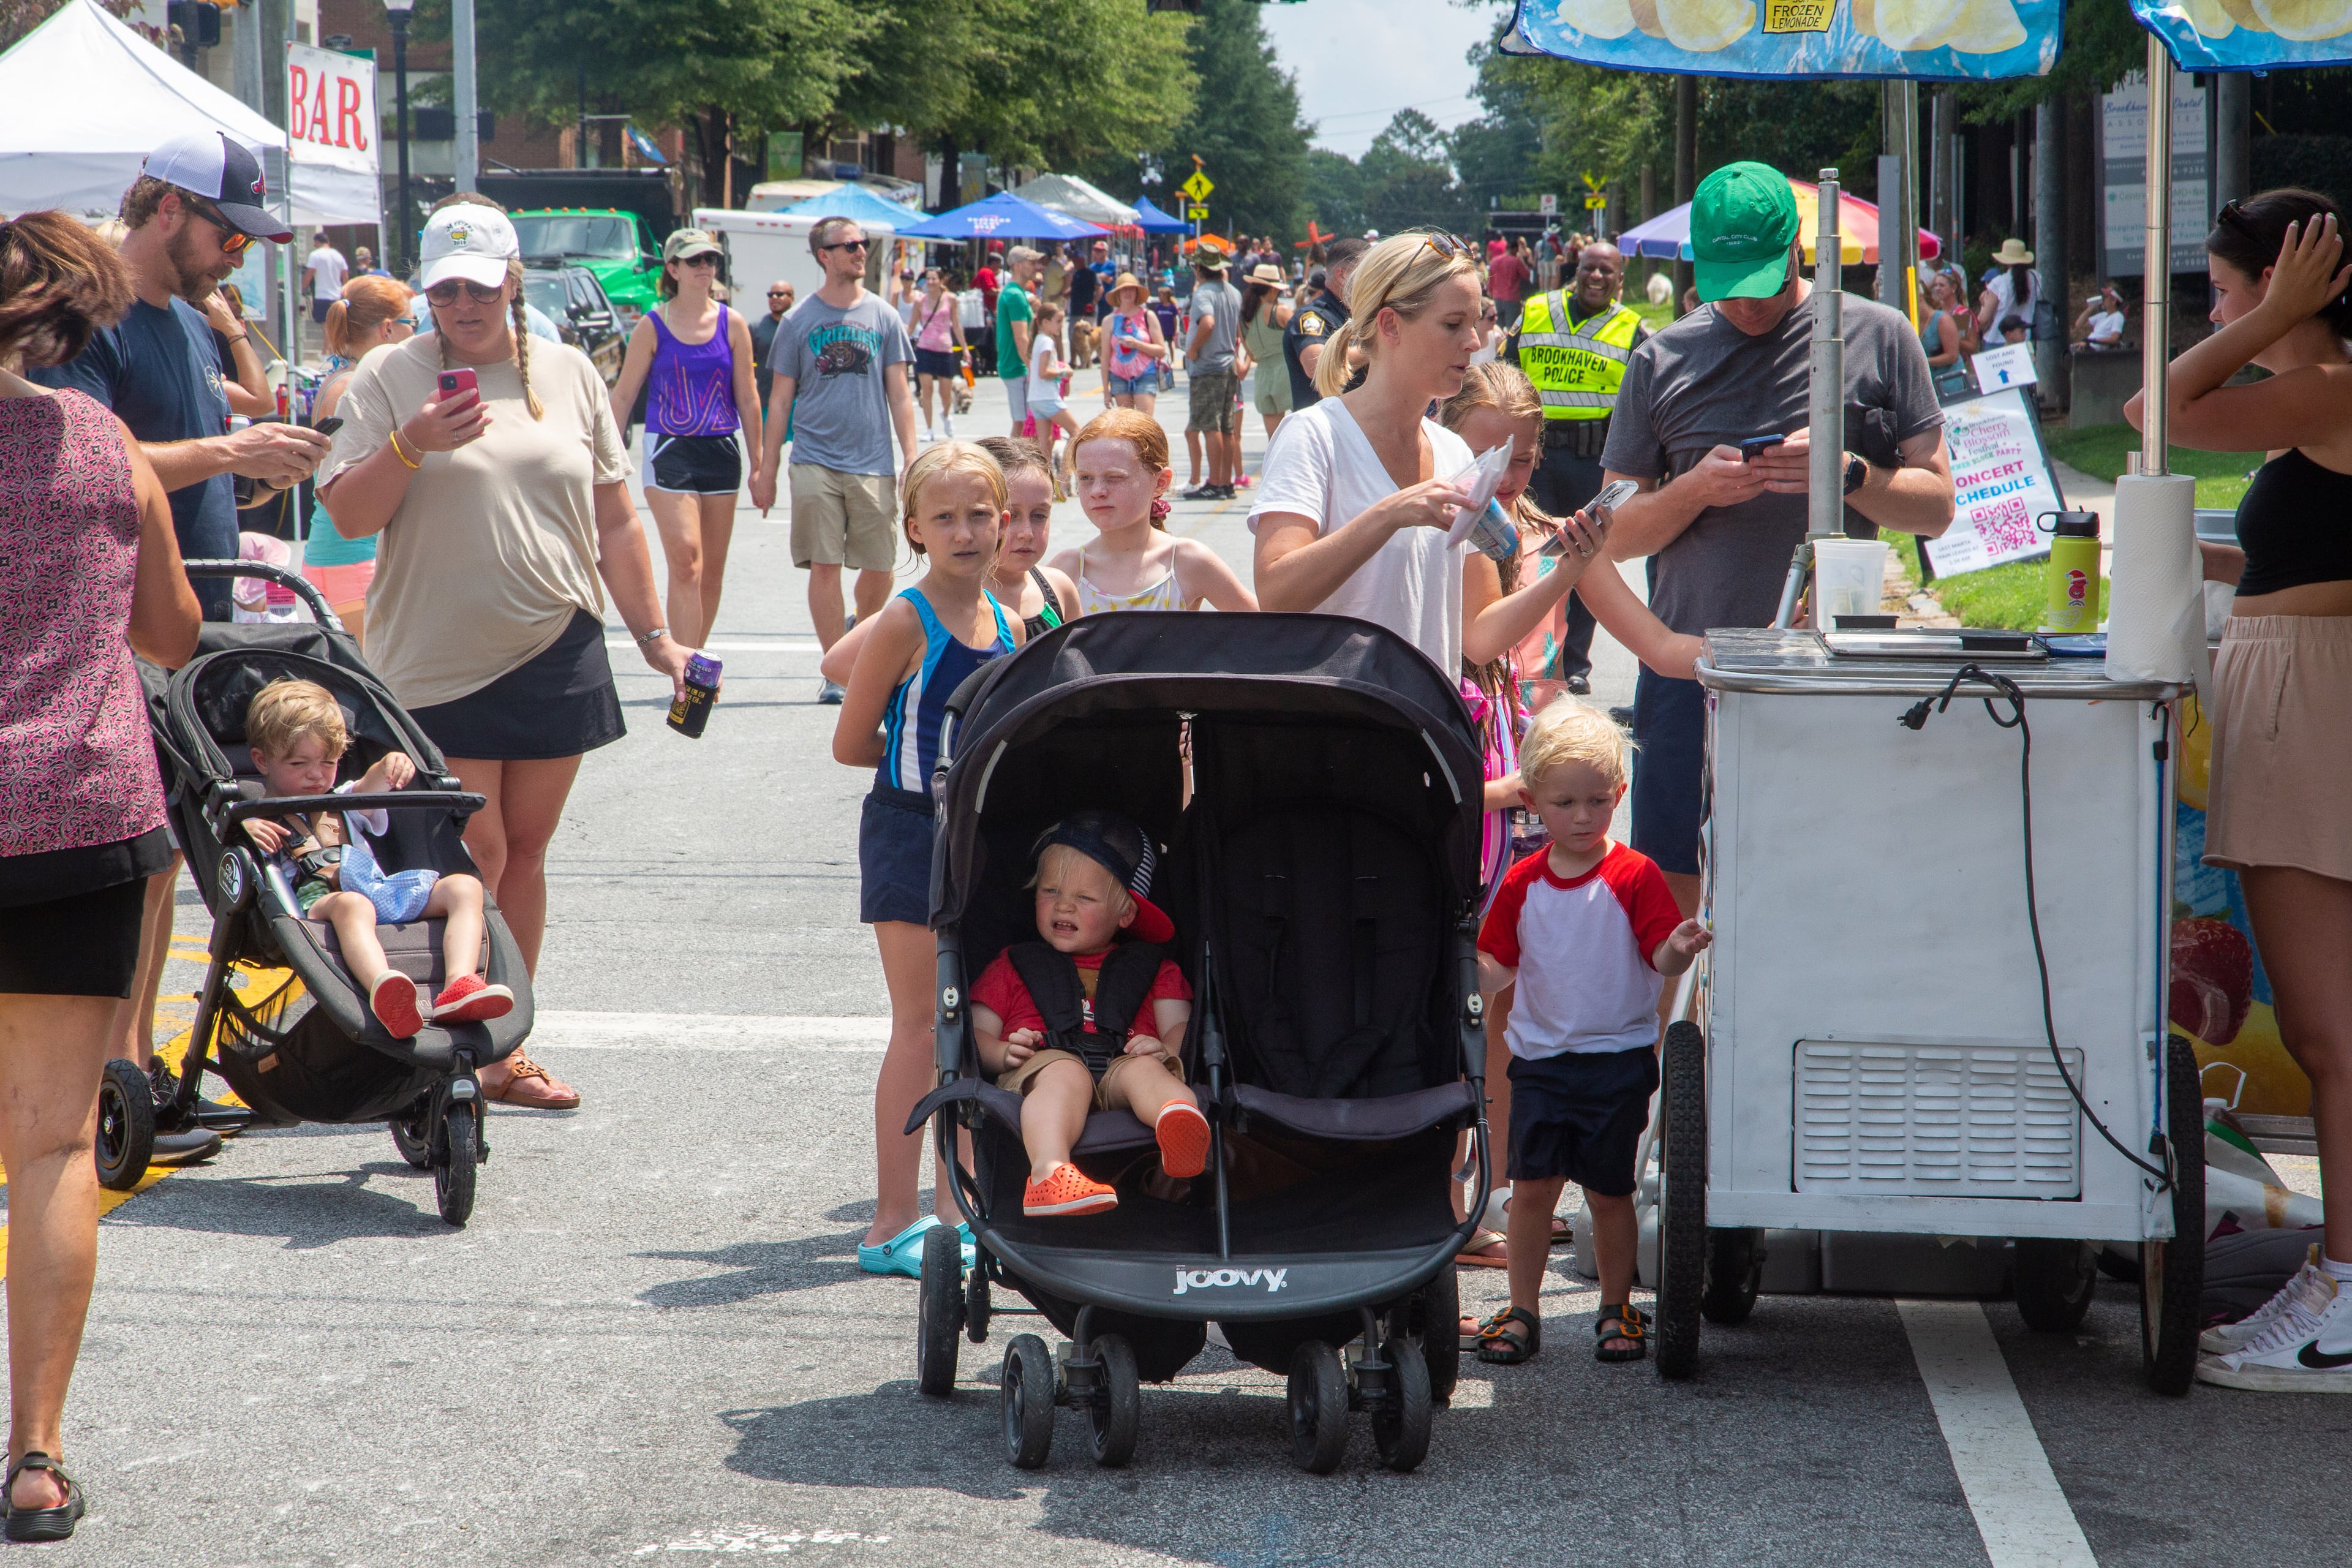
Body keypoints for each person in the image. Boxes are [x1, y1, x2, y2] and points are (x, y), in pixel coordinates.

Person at [318, 201, 693, 1111]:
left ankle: (503, 1047)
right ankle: (447, 1040)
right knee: (473, 851)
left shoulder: (564, 372)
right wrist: (412, 444)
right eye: (443, 290)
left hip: (554, 641)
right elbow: (346, 515)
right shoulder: (388, 375)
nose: (461, 305)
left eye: (479, 287)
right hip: (437, 657)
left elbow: (614, 516)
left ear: (512, 281)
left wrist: (656, 638)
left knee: (526, 850)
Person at [31, 133, 330, 1141]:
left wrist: (249, 470)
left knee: (162, 866)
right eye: (225, 230)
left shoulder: (191, 323)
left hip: (190, 631)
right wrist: (229, 449)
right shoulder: (92, 324)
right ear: (167, 209)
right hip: (120, 635)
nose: (238, 252)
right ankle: (114, 1086)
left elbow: (179, 459)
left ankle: (133, 1075)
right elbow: (80, 461)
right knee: (141, 864)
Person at [2114, 193, 2352, 1392]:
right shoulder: (2309, 406)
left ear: (2288, 283)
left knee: (2328, 1031)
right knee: (2327, 1028)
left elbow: (2157, 408)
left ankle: (2343, 1290)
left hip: (2314, 708)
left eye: (2221, 288)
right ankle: (2333, 1270)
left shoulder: (2326, 388)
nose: (2212, 311)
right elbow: (2295, 558)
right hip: (2296, 697)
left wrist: (2286, 318)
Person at [0, 209, 202, 1544]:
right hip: (73, 810)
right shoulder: (99, 445)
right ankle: (35, 1454)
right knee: (53, 1141)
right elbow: (173, 629)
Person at [1598, 162, 1953, 921]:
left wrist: (1849, 473)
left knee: (1823, 875)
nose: (1746, 302)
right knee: (1669, 885)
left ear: (1800, 248)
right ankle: (1675, 1036)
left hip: (1831, 667)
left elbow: (1937, 510)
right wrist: (1694, 489)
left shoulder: (1879, 336)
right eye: (1727, 282)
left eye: (1761, 279)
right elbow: (1614, 537)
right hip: (1691, 667)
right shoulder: (1660, 359)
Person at [1435, 363, 1702, 1269]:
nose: (1510, 470)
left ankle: (1508, 1188)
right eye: (1489, 451)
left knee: (1516, 1006)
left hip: (1525, 791)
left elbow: (1656, 644)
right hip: (1472, 784)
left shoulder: (1542, 532)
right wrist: (1570, 563)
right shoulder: (1458, 530)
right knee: (1463, 995)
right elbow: (1483, 638)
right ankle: (1454, 1194)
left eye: (1526, 451)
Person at [1252, 232, 1618, 687]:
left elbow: (1479, 637)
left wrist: (1568, 570)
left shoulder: (1453, 451)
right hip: (1336, 734)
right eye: (1452, 324)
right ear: (1390, 326)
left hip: (1427, 732)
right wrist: (1390, 514)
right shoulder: (1314, 436)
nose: (1472, 341)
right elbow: (1275, 593)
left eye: (1475, 321)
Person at [1464, 701, 1711, 1366]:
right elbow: (1498, 969)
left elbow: (1659, 955)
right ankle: (1521, 1307)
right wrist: (1465, 963)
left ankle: (1614, 1304)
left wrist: (1680, 949)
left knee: (1609, 1192)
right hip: (1541, 1060)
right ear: (1532, 801)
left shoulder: (1635, 875)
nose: (1581, 816)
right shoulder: (1521, 883)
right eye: (1565, 801)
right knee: (1533, 1191)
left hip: (1617, 1060)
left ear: (1619, 795)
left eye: (1598, 801)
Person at [832, 442, 1022, 1275]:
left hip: (981, 838)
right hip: (912, 832)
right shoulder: (906, 618)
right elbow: (850, 743)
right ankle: (888, 1221)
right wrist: (932, 765)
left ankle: (961, 1209)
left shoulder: (1010, 618)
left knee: (973, 1028)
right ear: (913, 527)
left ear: (1004, 521)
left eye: (980, 514)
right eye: (944, 517)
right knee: (919, 1026)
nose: (965, 530)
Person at [237, 679, 511, 1036]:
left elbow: (369, 787)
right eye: (299, 763)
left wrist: (390, 766)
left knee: (464, 887)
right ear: (262, 761)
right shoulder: (257, 814)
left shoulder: (344, 800)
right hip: (318, 903)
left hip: (378, 890)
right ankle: (384, 987)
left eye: (329, 762)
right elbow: (222, 832)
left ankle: (459, 982)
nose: (316, 774)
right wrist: (245, 828)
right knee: (353, 905)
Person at [971, 812, 1207, 1216]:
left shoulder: (1153, 969)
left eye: (1085, 898)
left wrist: (1163, 1047)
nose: (1064, 905)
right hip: (1046, 1063)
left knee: (1149, 1071)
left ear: (1127, 914)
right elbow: (974, 1032)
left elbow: (1182, 1027)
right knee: (1065, 1075)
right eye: (1050, 891)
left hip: (1123, 1062)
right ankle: (1050, 1173)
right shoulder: (1012, 965)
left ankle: (1178, 1122)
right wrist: (1002, 1052)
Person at [749, 216, 919, 703]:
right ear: (823, 254)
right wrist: (766, 470)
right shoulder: (799, 320)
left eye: (863, 243)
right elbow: (779, 401)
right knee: (824, 565)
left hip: (873, 460)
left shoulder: (884, 316)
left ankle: (859, 635)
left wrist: (912, 455)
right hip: (814, 459)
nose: (859, 250)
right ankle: (837, 669)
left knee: (880, 566)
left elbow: (900, 395)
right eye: (848, 245)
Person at [608, 228, 763, 652]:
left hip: (720, 450)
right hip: (669, 449)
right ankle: (686, 670)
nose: (705, 268)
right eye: (694, 261)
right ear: (673, 269)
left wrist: (761, 465)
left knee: (711, 572)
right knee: (687, 560)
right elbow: (623, 394)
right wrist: (606, 458)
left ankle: (694, 664)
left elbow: (748, 398)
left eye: (710, 260)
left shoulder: (733, 324)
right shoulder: (652, 325)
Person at [1507, 239, 1649, 696]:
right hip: (1537, 461)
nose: (1596, 277)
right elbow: (1504, 376)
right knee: (1530, 554)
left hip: (1595, 463)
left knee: (1587, 556)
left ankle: (1575, 663)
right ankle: (1519, 651)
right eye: (1589, 268)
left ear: (1620, 281)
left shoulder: (1633, 331)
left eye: (1607, 271)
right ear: (1576, 270)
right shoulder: (1534, 312)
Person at [820, 439, 1076, 689]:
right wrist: (908, 713)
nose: (1026, 533)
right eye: (1014, 515)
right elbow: (837, 662)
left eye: (1040, 515)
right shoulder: (953, 596)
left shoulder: (1057, 588)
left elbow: (1078, 670)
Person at [1052, 409, 1256, 614]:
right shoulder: (1067, 571)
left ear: (1160, 482)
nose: (1098, 492)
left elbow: (1265, 628)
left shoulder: (1186, 562)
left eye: (1115, 477)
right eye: (1086, 478)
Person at [304, 274, 416, 646]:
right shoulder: (357, 387)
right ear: (387, 329)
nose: (415, 336)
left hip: (332, 551)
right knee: (379, 687)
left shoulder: (337, 378)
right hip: (355, 558)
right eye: (411, 325)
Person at [1180, 240, 1245, 500]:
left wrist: (1193, 350)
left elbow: (1207, 323)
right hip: (1228, 363)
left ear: (1199, 268)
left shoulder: (1204, 293)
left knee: (1210, 426)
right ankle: (1226, 483)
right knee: (1227, 426)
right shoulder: (1233, 292)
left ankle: (1216, 483)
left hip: (1208, 366)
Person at [1284, 235, 1366, 412]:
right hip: (1322, 431)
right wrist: (1374, 350)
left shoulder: (1359, 315)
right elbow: (1316, 365)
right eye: (1367, 272)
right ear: (1343, 275)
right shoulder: (1313, 317)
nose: (1373, 279)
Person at [910, 269, 965, 441]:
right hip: (925, 348)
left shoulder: (951, 299)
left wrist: (965, 349)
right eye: (928, 279)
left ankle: (946, 414)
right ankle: (929, 429)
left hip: (945, 348)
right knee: (927, 390)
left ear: (942, 280)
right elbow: (911, 327)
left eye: (934, 279)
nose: (931, 282)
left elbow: (956, 325)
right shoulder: (920, 301)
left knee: (945, 393)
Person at [1099, 273, 1166, 415]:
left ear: (1137, 292)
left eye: (1132, 289)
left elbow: (1161, 351)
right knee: (1126, 427)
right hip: (1119, 376)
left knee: (1145, 423)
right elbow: (1105, 358)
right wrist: (1106, 391)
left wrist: (1137, 344)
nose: (1128, 293)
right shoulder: (1109, 321)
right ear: (1118, 294)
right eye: (1124, 290)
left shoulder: (1148, 316)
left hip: (1145, 374)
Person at [1240, 263, 1292, 439]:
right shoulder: (1281, 312)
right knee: (1298, 437)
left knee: (1275, 440)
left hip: (1263, 377)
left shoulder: (1243, 319)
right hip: (1288, 374)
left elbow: (1252, 355)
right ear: (1272, 290)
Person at [995, 246, 1042, 438]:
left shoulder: (1016, 293)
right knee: (1023, 423)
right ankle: (1013, 466)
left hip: (1016, 365)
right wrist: (1032, 367)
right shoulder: (1015, 295)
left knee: (1024, 422)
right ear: (1018, 266)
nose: (1035, 266)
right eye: (1030, 262)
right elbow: (1021, 337)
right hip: (1018, 366)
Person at [205, 282, 272, 417]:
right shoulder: (213, 330)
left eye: (240, 300)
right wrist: (234, 333)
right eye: (232, 299)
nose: (238, 304)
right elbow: (261, 402)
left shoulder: (239, 327)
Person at [1975, 238, 2039, 348]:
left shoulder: (1999, 283)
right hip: (2025, 338)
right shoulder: (2036, 278)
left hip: (1997, 339)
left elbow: (1984, 320)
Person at [749, 278, 794, 423]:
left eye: (780, 294)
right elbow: (748, 362)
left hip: (797, 402)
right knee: (768, 445)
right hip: (767, 401)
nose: (774, 298)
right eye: (771, 295)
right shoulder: (756, 327)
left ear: (791, 297)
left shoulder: (800, 326)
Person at [1921, 269, 1971, 394]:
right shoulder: (1912, 320)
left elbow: (1956, 354)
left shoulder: (1947, 318)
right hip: (1930, 385)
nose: (1938, 289)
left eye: (1942, 285)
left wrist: (1922, 362)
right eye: (1936, 285)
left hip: (1951, 384)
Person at [303, 232, 349, 325]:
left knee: (326, 327)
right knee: (335, 327)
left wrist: (302, 287)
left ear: (317, 242)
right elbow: (345, 276)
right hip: (337, 296)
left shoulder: (315, 255)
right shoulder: (338, 256)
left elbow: (309, 275)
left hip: (322, 296)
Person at [1488, 235, 1530, 328]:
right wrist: (1522, 260)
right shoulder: (1516, 261)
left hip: (1497, 298)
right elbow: (1527, 275)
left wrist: (1490, 291)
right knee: (1512, 330)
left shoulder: (1494, 261)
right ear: (1515, 249)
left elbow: (1490, 279)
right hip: (1512, 299)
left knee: (1497, 328)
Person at [2073, 281, 2127, 352]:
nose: (2103, 300)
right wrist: (2089, 310)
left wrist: (2092, 341)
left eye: (2105, 297)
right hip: (2089, 345)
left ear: (2113, 301)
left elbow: (2114, 339)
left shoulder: (2118, 317)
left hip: (2095, 349)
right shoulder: (2102, 315)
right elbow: (2079, 324)